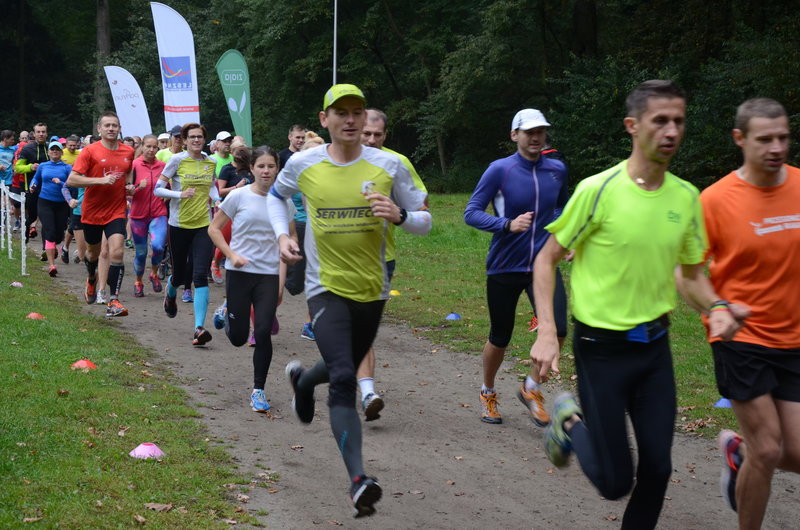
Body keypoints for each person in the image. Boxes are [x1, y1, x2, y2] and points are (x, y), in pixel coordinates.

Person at [530, 80, 740, 530]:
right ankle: (569, 422)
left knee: (659, 469)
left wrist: (716, 306)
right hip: (600, 350)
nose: (671, 131)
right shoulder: (598, 190)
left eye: (678, 121)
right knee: (614, 483)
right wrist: (548, 329)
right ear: (632, 126)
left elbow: (690, 276)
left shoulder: (685, 197)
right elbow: (546, 259)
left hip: (653, 350)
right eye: (659, 120)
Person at [268, 84, 431, 517]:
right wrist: (283, 235)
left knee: (342, 361)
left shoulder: (390, 165)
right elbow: (275, 196)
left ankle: (303, 381)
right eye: (340, 112)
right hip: (325, 287)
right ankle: (359, 480)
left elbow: (425, 220)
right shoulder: (304, 164)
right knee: (344, 376)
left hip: (372, 289)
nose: (351, 119)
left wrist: (400, 216)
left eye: (357, 111)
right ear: (325, 120)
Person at [678, 98, 800, 529]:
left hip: (795, 338)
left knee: (795, 454)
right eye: (764, 139)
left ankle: (738, 454)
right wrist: (718, 307)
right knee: (768, 448)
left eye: (783, 137)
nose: (776, 147)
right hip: (740, 336)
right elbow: (687, 274)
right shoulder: (715, 200)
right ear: (740, 139)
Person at [464, 108, 569, 426]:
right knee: (501, 336)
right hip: (504, 266)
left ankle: (531, 388)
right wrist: (506, 224)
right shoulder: (500, 170)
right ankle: (488, 390)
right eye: (529, 132)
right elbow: (471, 212)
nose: (536, 137)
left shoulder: (557, 170)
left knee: (559, 330)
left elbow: (564, 206)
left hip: (544, 264)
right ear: (515, 136)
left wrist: (566, 237)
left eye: (540, 132)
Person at [354, 108, 430, 420]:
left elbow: (422, 208)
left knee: (361, 331)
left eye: (377, 135)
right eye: (366, 134)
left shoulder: (396, 163)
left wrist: (397, 212)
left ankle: (365, 389)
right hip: (335, 262)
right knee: (348, 332)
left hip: (380, 259)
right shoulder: (336, 159)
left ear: (386, 136)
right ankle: (363, 387)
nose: (371, 140)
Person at [209, 145, 286, 412]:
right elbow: (214, 229)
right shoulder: (238, 197)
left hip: (268, 275)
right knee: (239, 338)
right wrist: (231, 255)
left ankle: (258, 390)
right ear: (252, 169)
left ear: (278, 169)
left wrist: (282, 281)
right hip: (239, 273)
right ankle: (228, 306)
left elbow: (288, 243)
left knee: (263, 331)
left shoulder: (282, 201)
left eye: (271, 166)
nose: (266, 171)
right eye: (261, 166)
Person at [154, 123, 220, 346]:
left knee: (200, 275)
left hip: (204, 224)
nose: (196, 140)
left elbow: (211, 186)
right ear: (183, 139)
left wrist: (218, 199)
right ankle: (171, 293)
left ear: (204, 139)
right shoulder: (177, 160)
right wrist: (179, 194)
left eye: (200, 137)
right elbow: (157, 188)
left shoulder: (210, 162)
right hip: (179, 225)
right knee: (181, 275)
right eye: (192, 137)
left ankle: (199, 328)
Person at [66, 111, 135, 318]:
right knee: (92, 254)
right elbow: (72, 180)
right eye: (107, 125)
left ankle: (113, 299)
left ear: (120, 128)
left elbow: (127, 171)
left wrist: (129, 186)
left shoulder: (128, 151)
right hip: (92, 211)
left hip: (116, 209)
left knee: (117, 252)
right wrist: (100, 181)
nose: (111, 128)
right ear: (99, 129)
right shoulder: (89, 151)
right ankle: (91, 277)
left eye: (115, 125)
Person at [281, 131, 324, 343]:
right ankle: (238, 306)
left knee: (315, 278)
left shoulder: (327, 176)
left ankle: (310, 323)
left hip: (320, 231)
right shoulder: (294, 176)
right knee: (289, 284)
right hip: (296, 227)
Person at [129, 134, 167, 297]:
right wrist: (138, 187)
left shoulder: (163, 166)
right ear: (142, 147)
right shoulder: (134, 165)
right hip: (138, 215)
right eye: (148, 146)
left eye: (154, 147)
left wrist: (165, 197)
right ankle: (138, 281)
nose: (151, 150)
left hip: (158, 214)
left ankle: (154, 273)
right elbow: (126, 191)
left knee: (158, 246)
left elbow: (169, 187)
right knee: (141, 252)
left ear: (158, 149)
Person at [30, 140, 75, 277]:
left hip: (61, 203)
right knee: (49, 230)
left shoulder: (67, 168)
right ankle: (52, 265)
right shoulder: (43, 166)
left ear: (61, 152)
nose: (54, 151)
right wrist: (32, 185)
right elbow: (36, 179)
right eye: (52, 149)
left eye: (57, 149)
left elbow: (72, 185)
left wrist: (60, 182)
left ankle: (56, 246)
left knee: (59, 234)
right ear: (48, 152)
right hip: (45, 202)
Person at [210, 145, 253, 284]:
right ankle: (215, 263)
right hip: (228, 210)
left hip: (247, 210)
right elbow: (220, 191)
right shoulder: (227, 169)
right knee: (226, 240)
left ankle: (241, 271)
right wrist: (237, 187)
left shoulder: (250, 171)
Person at [15, 122, 50, 240]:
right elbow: (17, 168)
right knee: (33, 216)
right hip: (31, 188)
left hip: (49, 188)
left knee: (47, 217)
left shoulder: (51, 148)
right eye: (38, 132)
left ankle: (47, 247)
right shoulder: (27, 148)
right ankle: (25, 240)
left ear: (47, 134)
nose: (41, 134)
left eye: (43, 132)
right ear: (34, 134)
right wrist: (30, 167)